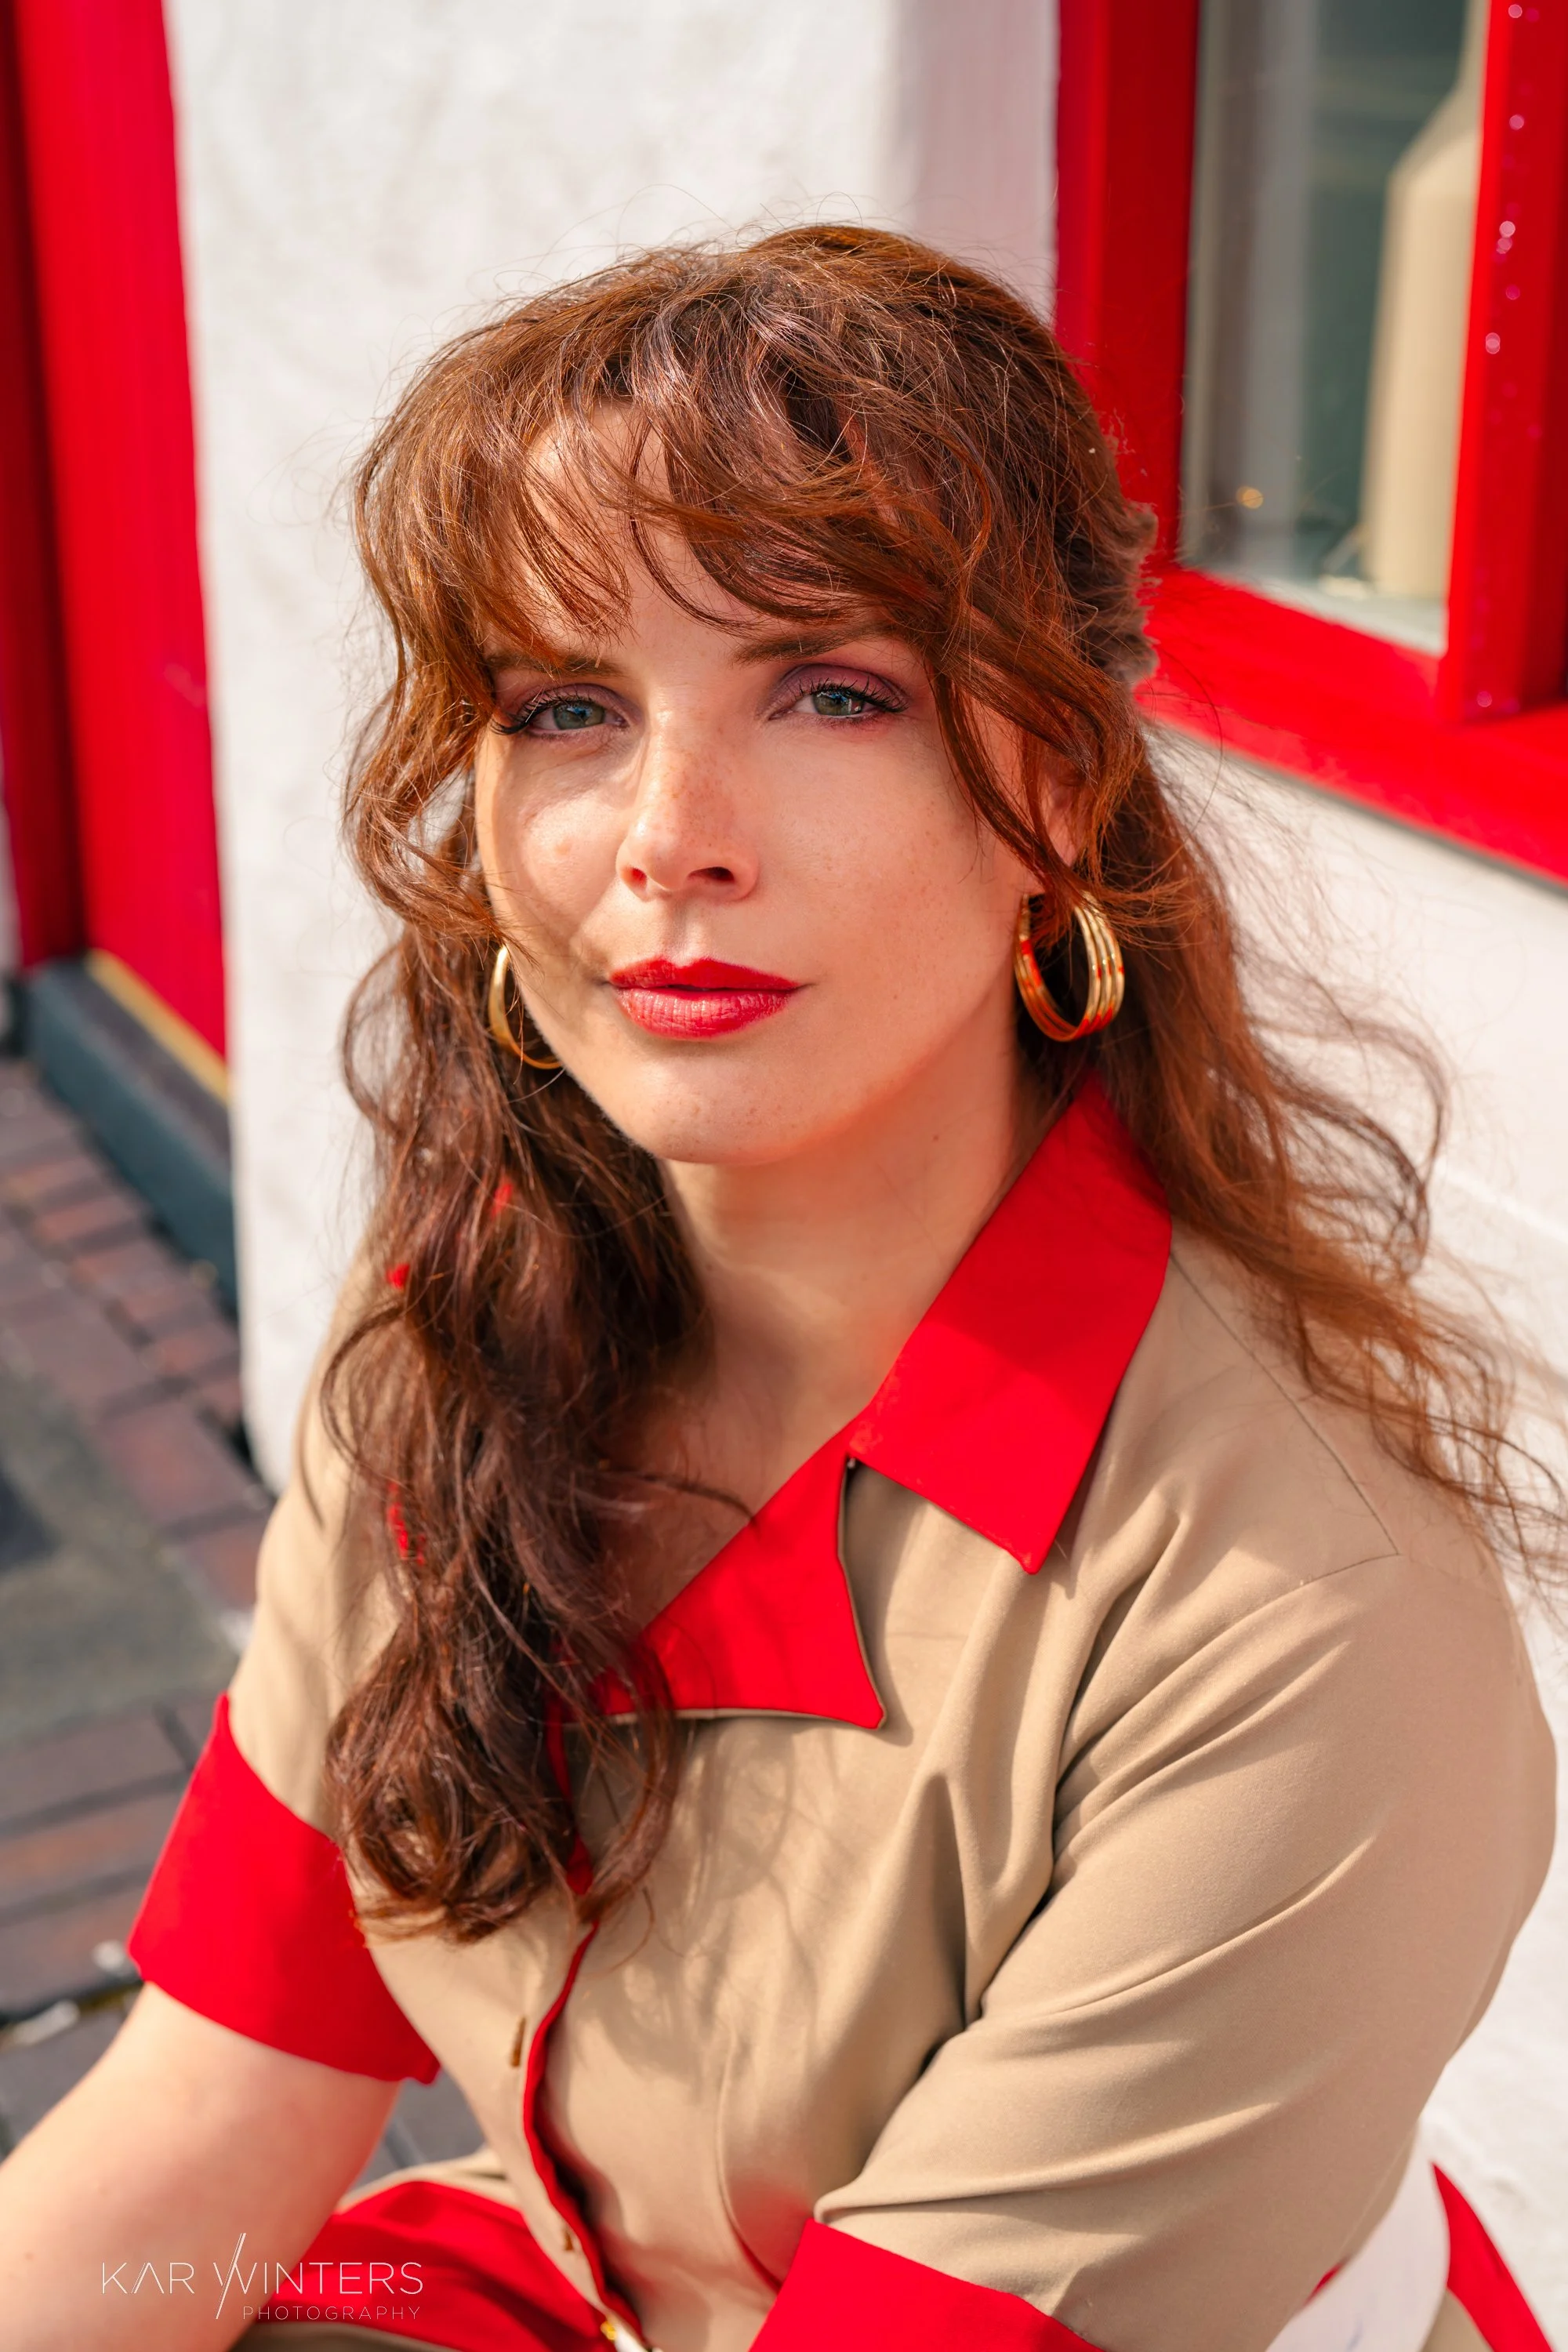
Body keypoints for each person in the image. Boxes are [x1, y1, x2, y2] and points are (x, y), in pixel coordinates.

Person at [0, 227, 1555, 2352]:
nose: (668, 836)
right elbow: (203, 2114)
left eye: (830, 691)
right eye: (565, 707)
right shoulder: (455, 1341)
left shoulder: (1301, 1612)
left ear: (1060, 793)